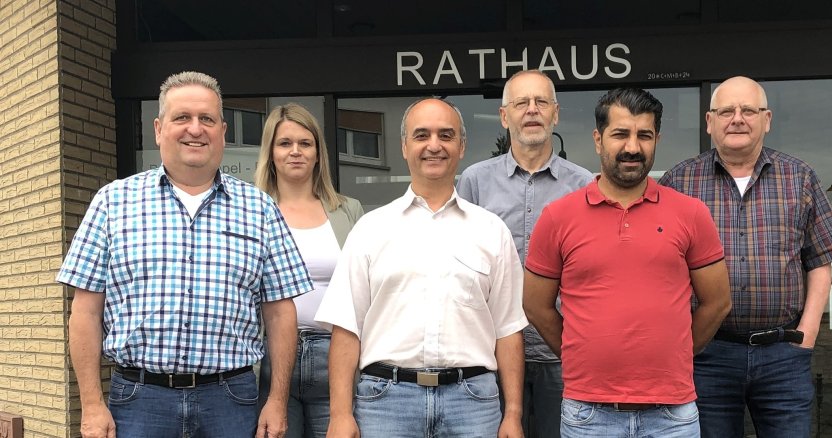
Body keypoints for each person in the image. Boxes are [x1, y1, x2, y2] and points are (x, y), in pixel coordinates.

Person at [60, 71, 311, 438]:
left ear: (223, 131)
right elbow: (85, 311)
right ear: (159, 129)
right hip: (140, 400)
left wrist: (276, 399)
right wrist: (92, 405)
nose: (196, 129)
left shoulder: (260, 209)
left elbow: (280, 312)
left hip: (231, 400)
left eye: (207, 119)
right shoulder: (112, 202)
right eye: (183, 118)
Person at [524, 88, 732, 438]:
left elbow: (718, 302)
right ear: (598, 139)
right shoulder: (558, 217)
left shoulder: (691, 213)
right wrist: (580, 354)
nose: (633, 147)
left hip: (672, 415)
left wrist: (675, 351)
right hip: (588, 414)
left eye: (644, 136)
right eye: (620, 134)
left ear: (657, 140)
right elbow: (535, 304)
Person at [315, 98, 528, 438]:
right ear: (403, 146)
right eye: (421, 135)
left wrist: (513, 414)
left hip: (472, 403)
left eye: (446, 135)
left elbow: (508, 330)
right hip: (386, 402)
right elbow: (346, 328)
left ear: (461, 146)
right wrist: (340, 414)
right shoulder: (371, 229)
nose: (434, 145)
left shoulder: (492, 231)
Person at [658, 76, 832, 438]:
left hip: (783, 355)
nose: (737, 118)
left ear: (767, 119)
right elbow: (660, 270)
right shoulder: (679, 182)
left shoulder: (800, 178)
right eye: (726, 111)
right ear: (709, 121)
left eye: (748, 110)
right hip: (708, 356)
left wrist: (806, 335)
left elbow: (821, 262)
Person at [457, 70, 593, 437]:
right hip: (492, 354)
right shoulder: (474, 181)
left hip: (561, 355)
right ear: (505, 116)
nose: (532, 110)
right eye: (521, 103)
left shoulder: (583, 184)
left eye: (541, 102)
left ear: (556, 113)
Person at [254, 103, 364, 438]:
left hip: (334, 357)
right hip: (269, 360)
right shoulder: (252, 210)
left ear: (318, 153)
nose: (296, 152)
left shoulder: (349, 210)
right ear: (270, 152)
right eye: (284, 143)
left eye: (305, 143)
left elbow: (364, 290)